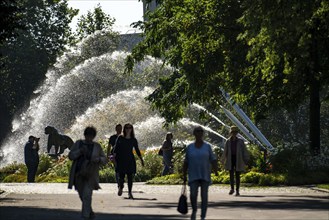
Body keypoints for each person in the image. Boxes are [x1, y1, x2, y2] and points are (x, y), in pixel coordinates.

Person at [68, 126, 107, 220]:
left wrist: (98, 159)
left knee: (87, 195)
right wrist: (80, 151)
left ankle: (85, 216)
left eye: (91, 136)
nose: (89, 138)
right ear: (85, 135)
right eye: (88, 136)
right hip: (78, 174)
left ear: (93, 136)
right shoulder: (78, 144)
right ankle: (90, 212)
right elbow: (70, 156)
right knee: (82, 195)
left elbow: (104, 159)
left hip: (91, 174)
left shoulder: (97, 146)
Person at [183, 127, 218, 220]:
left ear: (203, 134)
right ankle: (194, 210)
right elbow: (186, 161)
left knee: (204, 196)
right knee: (193, 194)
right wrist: (183, 174)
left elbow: (213, 159)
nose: (199, 133)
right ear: (194, 133)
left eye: (201, 131)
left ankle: (203, 216)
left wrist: (216, 170)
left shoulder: (207, 146)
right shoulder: (190, 147)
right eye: (197, 131)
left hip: (205, 174)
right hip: (193, 174)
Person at [113, 123, 144, 199]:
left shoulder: (133, 140)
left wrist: (141, 159)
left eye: (130, 128)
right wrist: (113, 157)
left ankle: (130, 192)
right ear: (124, 129)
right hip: (121, 159)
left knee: (130, 177)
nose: (128, 129)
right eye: (126, 128)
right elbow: (115, 149)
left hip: (130, 159)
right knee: (121, 176)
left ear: (132, 129)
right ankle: (121, 187)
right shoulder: (120, 138)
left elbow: (137, 150)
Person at [222, 126, 249, 196]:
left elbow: (244, 150)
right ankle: (232, 188)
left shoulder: (240, 141)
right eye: (232, 132)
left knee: (237, 175)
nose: (234, 133)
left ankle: (237, 190)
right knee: (231, 174)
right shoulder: (228, 141)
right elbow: (225, 151)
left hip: (238, 158)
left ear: (237, 133)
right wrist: (223, 160)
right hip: (230, 158)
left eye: (235, 132)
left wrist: (246, 159)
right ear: (230, 133)